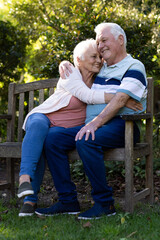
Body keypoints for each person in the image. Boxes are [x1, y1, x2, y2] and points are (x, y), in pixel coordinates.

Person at [35, 22, 147, 219]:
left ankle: (105, 204)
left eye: (104, 40)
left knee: (86, 138)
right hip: (94, 124)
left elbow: (121, 99)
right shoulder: (100, 68)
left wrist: (95, 122)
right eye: (98, 42)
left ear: (120, 40)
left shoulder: (134, 66)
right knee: (53, 138)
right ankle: (68, 201)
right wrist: (65, 63)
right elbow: (81, 62)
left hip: (123, 125)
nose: (100, 46)